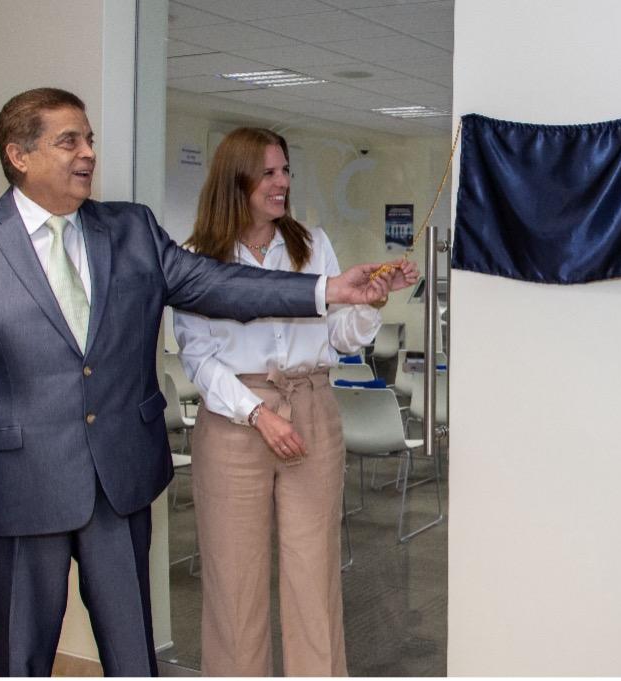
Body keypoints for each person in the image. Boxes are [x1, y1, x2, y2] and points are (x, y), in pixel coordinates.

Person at [0, 88, 408, 676]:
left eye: (89, 139)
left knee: (132, 656)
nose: (88, 152)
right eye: (70, 141)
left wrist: (325, 290)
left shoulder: (131, 230)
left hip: (119, 485)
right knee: (20, 656)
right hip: (17, 488)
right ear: (19, 155)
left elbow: (223, 286)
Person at [172, 127, 414, 676]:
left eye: (286, 172)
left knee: (314, 573)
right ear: (236, 180)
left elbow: (338, 336)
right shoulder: (197, 258)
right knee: (235, 582)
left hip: (311, 405)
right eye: (269, 173)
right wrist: (256, 413)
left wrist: (371, 303)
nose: (282, 183)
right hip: (236, 418)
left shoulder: (312, 244)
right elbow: (198, 358)